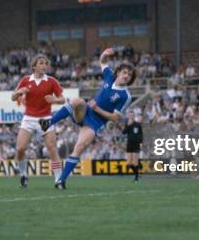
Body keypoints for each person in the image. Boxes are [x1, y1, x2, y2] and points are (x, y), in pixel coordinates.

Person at [39, 48, 135, 189]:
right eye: (125, 72)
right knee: (78, 101)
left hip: (96, 122)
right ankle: (48, 122)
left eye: (130, 75)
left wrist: (97, 109)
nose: (126, 76)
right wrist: (104, 54)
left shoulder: (126, 96)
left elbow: (115, 118)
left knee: (79, 148)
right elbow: (103, 62)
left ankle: (61, 181)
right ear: (119, 72)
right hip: (86, 111)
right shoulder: (110, 76)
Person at [11, 54, 65, 187]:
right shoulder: (25, 80)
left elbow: (62, 99)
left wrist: (55, 100)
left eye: (46, 63)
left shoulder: (52, 81)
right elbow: (13, 97)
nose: (44, 66)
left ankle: (59, 179)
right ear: (34, 66)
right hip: (28, 118)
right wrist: (19, 92)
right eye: (41, 63)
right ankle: (24, 175)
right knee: (20, 148)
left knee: (52, 149)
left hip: (45, 118)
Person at [122, 111, 143, 182]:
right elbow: (123, 132)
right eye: (130, 115)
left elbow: (141, 135)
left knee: (135, 162)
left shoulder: (137, 124)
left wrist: (140, 143)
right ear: (128, 116)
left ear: (134, 116)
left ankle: (136, 178)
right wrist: (127, 125)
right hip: (129, 144)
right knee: (128, 163)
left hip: (136, 144)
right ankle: (137, 173)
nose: (131, 116)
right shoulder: (127, 124)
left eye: (132, 115)